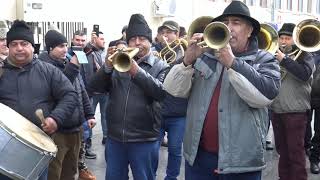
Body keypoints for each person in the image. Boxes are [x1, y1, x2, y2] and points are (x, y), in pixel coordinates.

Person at [163, 1, 280, 179]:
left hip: (241, 163)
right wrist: (186, 61)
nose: (229, 27)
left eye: (236, 22)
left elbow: (265, 96)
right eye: (225, 23)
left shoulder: (264, 59)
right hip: (199, 158)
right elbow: (171, 90)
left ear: (249, 31)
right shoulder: (205, 54)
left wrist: (233, 63)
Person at [88, 13, 169, 180]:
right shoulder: (117, 63)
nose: (137, 43)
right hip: (115, 138)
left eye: (142, 38)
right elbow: (94, 87)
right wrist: (107, 67)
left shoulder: (161, 66)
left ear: (150, 41)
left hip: (144, 138)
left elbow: (160, 93)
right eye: (133, 39)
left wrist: (136, 71)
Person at [0, 20, 78, 180]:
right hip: (4, 150)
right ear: (8, 47)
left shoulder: (48, 71)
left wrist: (55, 118)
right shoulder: (1, 73)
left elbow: (69, 95)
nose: (19, 48)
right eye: (14, 44)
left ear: (32, 46)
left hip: (36, 150)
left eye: (24, 43)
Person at [38, 30, 96, 180]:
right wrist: (73, 67)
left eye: (65, 45)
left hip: (75, 128)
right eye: (59, 46)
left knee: (70, 172)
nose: (65, 49)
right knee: (54, 172)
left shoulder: (67, 62)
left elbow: (80, 90)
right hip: (58, 131)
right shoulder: (43, 66)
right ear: (50, 48)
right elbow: (61, 89)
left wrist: (89, 114)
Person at [271, 22, 315, 180]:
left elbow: (304, 74)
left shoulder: (306, 55)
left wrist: (284, 60)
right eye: (281, 38)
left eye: (287, 38)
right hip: (277, 110)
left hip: (296, 112)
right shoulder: (274, 54)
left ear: (295, 39)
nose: (283, 41)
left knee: (295, 153)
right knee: (282, 152)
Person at [157, 20, 188, 180]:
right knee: (152, 149)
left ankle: (171, 177)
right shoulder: (155, 51)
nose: (166, 36)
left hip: (179, 112)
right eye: (163, 32)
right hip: (158, 110)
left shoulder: (186, 52)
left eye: (169, 32)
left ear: (177, 34)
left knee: (175, 149)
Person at [66, 29, 97, 180]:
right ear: (72, 40)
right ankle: (79, 164)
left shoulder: (88, 54)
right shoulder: (67, 56)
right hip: (72, 102)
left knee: (86, 131)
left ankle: (83, 157)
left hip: (85, 95)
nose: (80, 43)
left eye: (82, 40)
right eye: (77, 40)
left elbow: (87, 77)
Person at [82, 30, 107, 156]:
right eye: (101, 39)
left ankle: (106, 138)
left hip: (104, 91)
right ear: (94, 39)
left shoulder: (105, 52)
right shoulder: (87, 51)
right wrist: (89, 42)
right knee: (89, 118)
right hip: (91, 92)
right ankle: (87, 144)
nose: (104, 41)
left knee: (105, 116)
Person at [307, 49, 320, 174]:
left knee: (319, 132)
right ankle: (307, 147)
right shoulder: (306, 51)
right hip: (306, 96)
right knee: (305, 128)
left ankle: (315, 159)